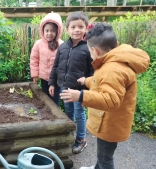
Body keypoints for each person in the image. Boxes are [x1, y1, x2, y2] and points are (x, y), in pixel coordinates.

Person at [60, 23, 150, 169]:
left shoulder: (112, 69)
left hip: (109, 124)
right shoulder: (113, 61)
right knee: (103, 155)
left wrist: (81, 95)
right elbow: (102, 81)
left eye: (89, 51)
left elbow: (111, 100)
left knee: (105, 160)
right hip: (108, 121)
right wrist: (87, 80)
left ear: (95, 51)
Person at [48, 11, 94, 154]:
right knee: (68, 112)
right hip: (64, 87)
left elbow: (93, 70)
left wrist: (90, 85)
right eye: (73, 27)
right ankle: (70, 134)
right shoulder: (62, 47)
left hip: (79, 90)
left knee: (79, 113)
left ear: (86, 28)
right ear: (67, 29)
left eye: (80, 26)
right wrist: (52, 83)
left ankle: (81, 139)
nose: (77, 30)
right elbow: (56, 66)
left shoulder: (88, 48)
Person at [30, 12, 64, 106]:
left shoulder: (61, 45)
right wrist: (35, 75)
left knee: (54, 100)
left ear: (58, 31)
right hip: (44, 78)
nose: (49, 33)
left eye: (52, 31)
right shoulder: (38, 44)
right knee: (45, 98)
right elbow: (34, 60)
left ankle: (56, 118)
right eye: (47, 30)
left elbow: (62, 64)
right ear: (42, 31)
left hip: (56, 80)